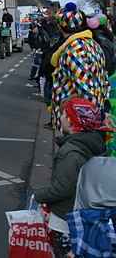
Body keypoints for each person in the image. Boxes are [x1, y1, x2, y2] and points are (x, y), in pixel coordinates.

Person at [34, 97, 108, 257]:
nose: (60, 117)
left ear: (71, 120)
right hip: (83, 216)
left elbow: (62, 189)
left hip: (64, 220)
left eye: (63, 114)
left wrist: (38, 195)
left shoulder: (70, 152)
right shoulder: (93, 143)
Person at [50, 3, 110, 135]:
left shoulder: (74, 50)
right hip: (85, 122)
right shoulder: (93, 44)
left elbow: (87, 92)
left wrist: (84, 126)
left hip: (77, 126)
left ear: (61, 27)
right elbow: (104, 82)